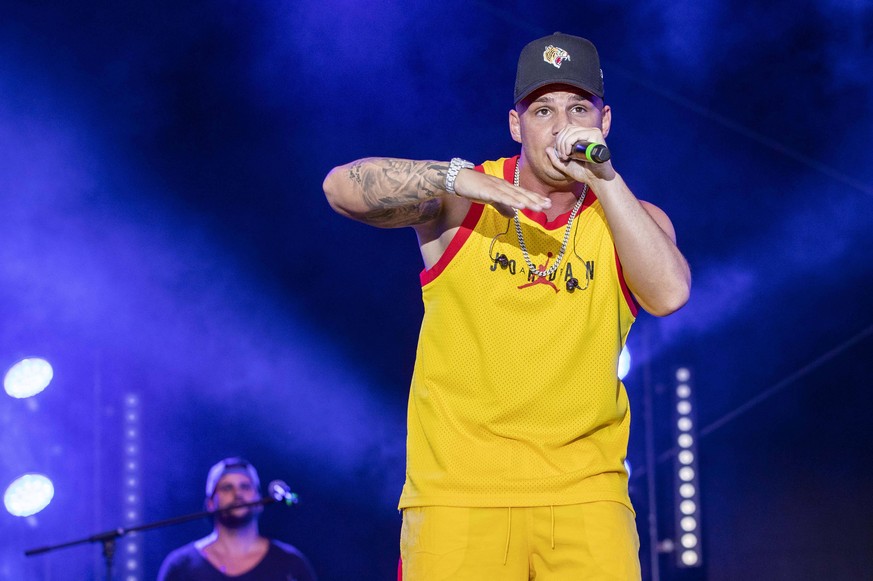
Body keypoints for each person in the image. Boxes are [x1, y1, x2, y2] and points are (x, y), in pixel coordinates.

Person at [324, 32, 691, 580]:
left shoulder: (631, 219)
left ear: (604, 122)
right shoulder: (461, 199)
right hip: (459, 495)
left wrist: (604, 178)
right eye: (542, 110)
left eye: (578, 109)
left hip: (585, 495)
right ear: (517, 124)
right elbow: (340, 188)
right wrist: (453, 177)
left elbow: (669, 294)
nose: (561, 126)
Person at [157, 457, 317, 581]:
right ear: (210, 503)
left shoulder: (290, 562)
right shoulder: (181, 566)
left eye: (245, 487)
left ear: (260, 501)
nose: (237, 494)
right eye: (227, 488)